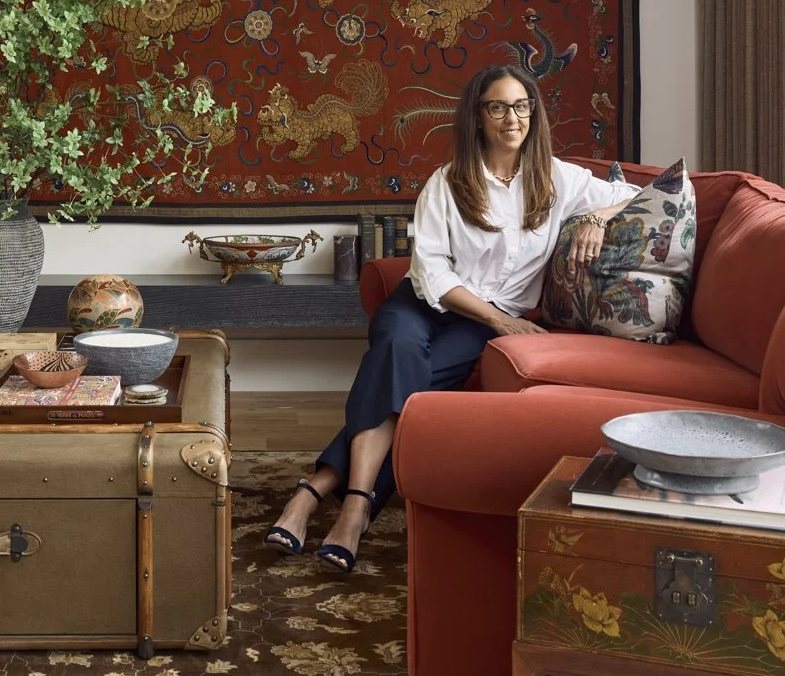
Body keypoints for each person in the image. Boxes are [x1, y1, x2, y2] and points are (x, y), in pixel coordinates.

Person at [265, 64, 642, 573]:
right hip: (422, 304)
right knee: (398, 352)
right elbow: (432, 272)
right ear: (479, 117)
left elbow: (640, 195)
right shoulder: (448, 182)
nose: (513, 117)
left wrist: (596, 216)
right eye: (498, 107)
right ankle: (353, 511)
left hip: (478, 325)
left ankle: (315, 495)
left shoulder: (558, 178)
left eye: (522, 105)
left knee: (405, 389)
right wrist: (502, 322)